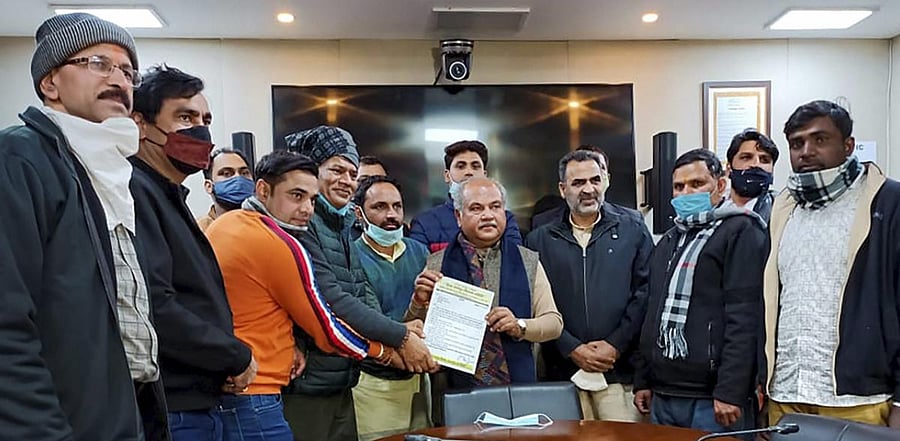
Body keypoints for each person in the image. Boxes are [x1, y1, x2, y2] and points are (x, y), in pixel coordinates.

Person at [0, 12, 167, 441]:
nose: (119, 79)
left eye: (128, 71)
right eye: (98, 63)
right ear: (50, 84)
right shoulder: (21, 159)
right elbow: (8, 323)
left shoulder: (112, 172)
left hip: (123, 413)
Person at [208, 151, 401, 441]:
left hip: (230, 385)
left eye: (312, 199)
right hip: (256, 392)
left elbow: (255, 306)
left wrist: (289, 344)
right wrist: (387, 352)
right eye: (296, 196)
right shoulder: (279, 243)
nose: (307, 209)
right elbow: (326, 328)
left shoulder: (226, 224)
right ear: (263, 190)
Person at [283, 125, 436, 441]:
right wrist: (402, 340)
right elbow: (332, 299)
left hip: (341, 377)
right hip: (310, 379)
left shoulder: (340, 228)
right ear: (313, 172)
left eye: (352, 173)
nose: (346, 180)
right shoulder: (304, 223)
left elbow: (360, 293)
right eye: (336, 169)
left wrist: (405, 330)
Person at [131, 64, 256, 440]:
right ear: (140, 124)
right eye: (184, 117)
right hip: (174, 405)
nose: (200, 130)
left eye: (205, 119)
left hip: (199, 399)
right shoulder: (137, 191)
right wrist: (235, 355)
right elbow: (156, 304)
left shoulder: (169, 194)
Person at [764, 100, 900, 428]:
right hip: (786, 394)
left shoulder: (888, 202)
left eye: (820, 139)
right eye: (797, 143)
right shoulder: (783, 208)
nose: (806, 151)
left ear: (848, 145)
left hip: (859, 399)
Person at [633, 148, 767, 438]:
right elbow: (652, 311)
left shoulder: (741, 231)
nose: (685, 193)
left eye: (696, 184)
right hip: (664, 393)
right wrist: (643, 379)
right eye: (679, 187)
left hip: (714, 398)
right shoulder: (669, 240)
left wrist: (731, 390)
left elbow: (745, 317)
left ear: (720, 185)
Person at [407, 177, 563, 420]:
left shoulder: (528, 260)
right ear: (458, 216)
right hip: (456, 395)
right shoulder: (435, 264)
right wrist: (418, 302)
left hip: (519, 392)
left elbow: (554, 323)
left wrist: (520, 325)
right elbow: (415, 334)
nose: (488, 215)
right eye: (476, 208)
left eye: (495, 206)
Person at [526, 149, 652, 422]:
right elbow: (535, 304)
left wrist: (614, 345)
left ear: (606, 180)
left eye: (595, 180)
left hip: (619, 374)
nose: (588, 189)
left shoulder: (633, 229)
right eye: (578, 183)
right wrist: (572, 348)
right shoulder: (539, 240)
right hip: (563, 373)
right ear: (562, 189)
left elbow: (645, 294)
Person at [350, 175, 431, 440]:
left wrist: (421, 304)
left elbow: (430, 316)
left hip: (421, 380)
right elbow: (369, 322)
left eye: (397, 206)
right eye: (380, 207)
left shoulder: (420, 252)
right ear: (358, 213)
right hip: (375, 383)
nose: (392, 215)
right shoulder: (351, 257)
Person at [410, 140, 522, 252]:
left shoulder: (505, 219)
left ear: (484, 175)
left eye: (475, 166)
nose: (469, 172)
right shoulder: (424, 222)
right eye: (460, 166)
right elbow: (421, 264)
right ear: (447, 176)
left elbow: (515, 259)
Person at [723, 128, 779, 222]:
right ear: (729, 168)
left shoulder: (780, 210)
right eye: (746, 157)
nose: (756, 164)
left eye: (764, 160)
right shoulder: (712, 207)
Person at [197, 147, 254, 231]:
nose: (238, 177)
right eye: (227, 173)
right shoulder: (199, 231)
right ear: (209, 186)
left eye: (244, 173)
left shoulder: (269, 226)